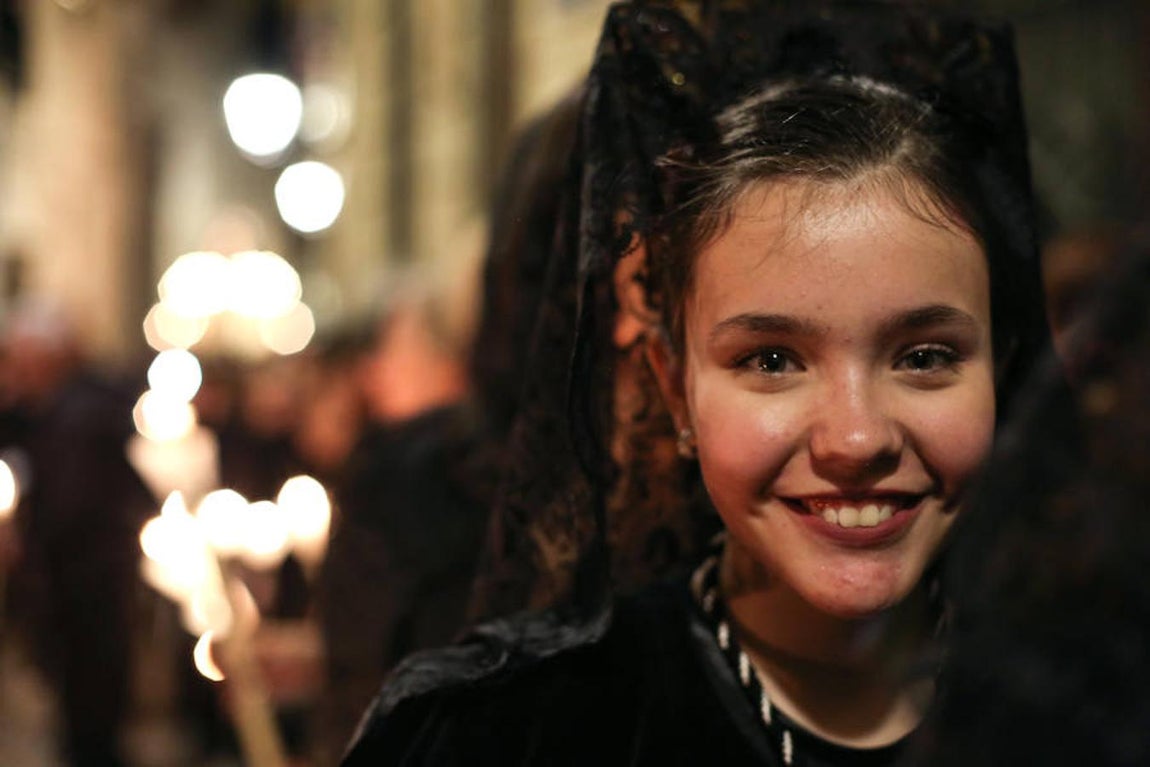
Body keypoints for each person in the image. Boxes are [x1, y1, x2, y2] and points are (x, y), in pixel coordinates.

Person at [342, 2, 1059, 765]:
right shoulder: (496, 735)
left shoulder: (1092, 707)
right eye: (772, 360)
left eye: (922, 356)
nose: (857, 437)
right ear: (675, 388)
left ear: (1002, 368)